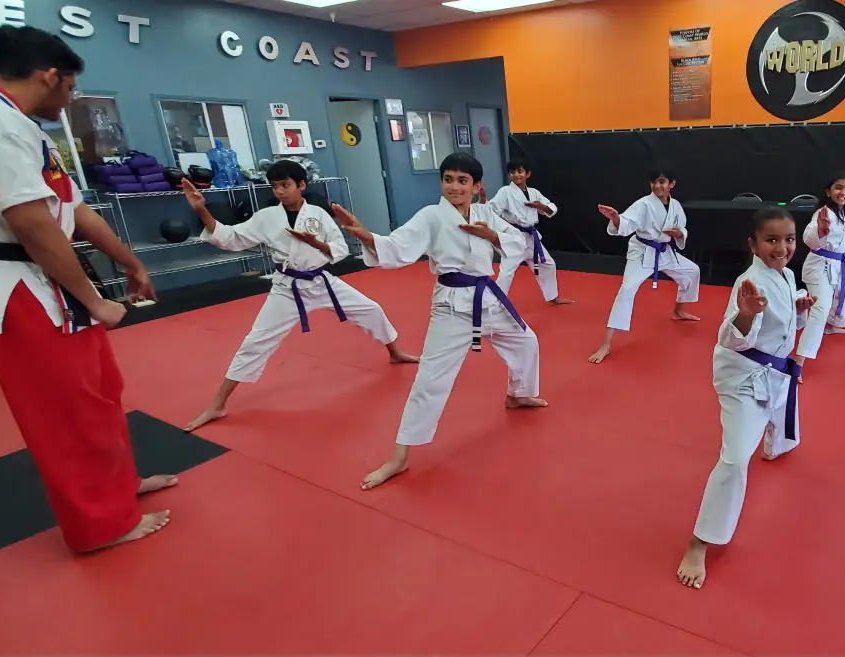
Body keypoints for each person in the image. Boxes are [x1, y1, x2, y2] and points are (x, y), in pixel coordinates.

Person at [0, 25, 174, 552]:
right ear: (50, 75)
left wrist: (128, 261)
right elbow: (30, 222)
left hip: (43, 279)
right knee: (63, 413)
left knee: (99, 392)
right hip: (12, 285)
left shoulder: (16, 123)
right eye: (70, 88)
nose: (71, 99)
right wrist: (93, 299)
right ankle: (100, 525)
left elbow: (71, 207)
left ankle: (118, 487)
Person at [330, 153, 547, 491]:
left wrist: (490, 236)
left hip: (488, 297)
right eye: (448, 179)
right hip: (451, 306)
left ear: (476, 187)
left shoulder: (486, 213)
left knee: (526, 341)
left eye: (462, 181)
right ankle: (399, 457)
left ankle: (517, 394)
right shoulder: (431, 216)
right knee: (430, 380)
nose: (454, 187)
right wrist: (367, 236)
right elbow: (399, 247)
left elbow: (517, 241)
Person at [181, 161, 418, 431]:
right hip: (287, 288)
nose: (280, 191)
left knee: (371, 309)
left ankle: (395, 352)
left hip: (320, 281)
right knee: (255, 342)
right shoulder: (267, 217)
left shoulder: (318, 214)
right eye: (275, 186)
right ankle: (218, 404)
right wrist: (201, 210)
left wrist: (316, 243)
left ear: (301, 185)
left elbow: (340, 247)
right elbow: (231, 238)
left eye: (285, 185)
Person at [677, 207, 815, 589]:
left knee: (784, 418)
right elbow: (729, 336)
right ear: (753, 244)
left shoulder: (786, 275)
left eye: (789, 239)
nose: (783, 247)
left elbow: (785, 328)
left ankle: (778, 443)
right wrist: (743, 314)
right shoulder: (748, 284)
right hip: (743, 376)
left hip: (774, 370)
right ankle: (699, 541)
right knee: (736, 459)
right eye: (772, 240)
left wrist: (800, 313)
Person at [589, 168, 701, 364]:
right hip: (642, 252)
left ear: (671, 184)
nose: (657, 186)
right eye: (653, 182)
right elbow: (626, 222)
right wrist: (616, 218)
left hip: (664, 251)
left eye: (662, 182)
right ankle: (606, 344)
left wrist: (679, 233)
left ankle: (678, 310)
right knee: (627, 289)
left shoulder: (675, 206)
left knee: (692, 271)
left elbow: (682, 227)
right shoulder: (643, 204)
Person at [794, 173, 845, 379]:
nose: (843, 193)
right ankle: (798, 361)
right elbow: (809, 238)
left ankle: (831, 324)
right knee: (819, 310)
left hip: (836, 265)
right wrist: (821, 232)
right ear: (828, 191)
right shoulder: (823, 213)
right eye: (838, 188)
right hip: (819, 266)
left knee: (844, 293)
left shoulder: (841, 214)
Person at [487, 159, 572, 305]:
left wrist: (541, 207)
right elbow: (492, 209)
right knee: (507, 270)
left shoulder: (534, 193)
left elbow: (551, 207)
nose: (516, 175)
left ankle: (552, 296)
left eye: (520, 171)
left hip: (531, 238)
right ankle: (496, 303)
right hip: (515, 237)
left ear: (528, 174)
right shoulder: (505, 192)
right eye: (512, 172)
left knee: (548, 264)